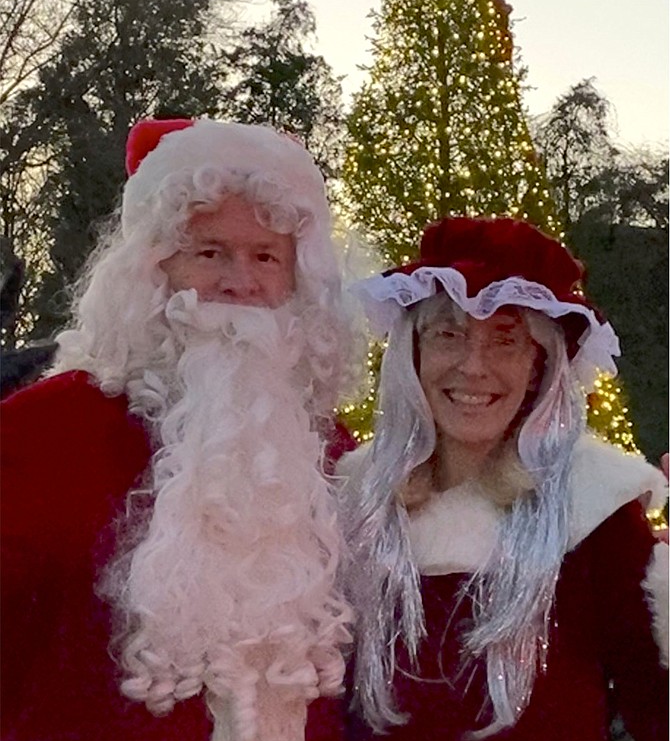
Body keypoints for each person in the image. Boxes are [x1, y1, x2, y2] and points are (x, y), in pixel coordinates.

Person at [1, 118, 360, 741]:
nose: (239, 282)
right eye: (210, 251)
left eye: (266, 256)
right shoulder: (38, 433)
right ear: (153, 268)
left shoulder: (333, 453)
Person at [339, 216, 668, 740]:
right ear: (414, 354)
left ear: (539, 364)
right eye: (449, 334)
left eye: (505, 340)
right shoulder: (355, 497)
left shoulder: (595, 504)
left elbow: (656, 707)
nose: (473, 366)